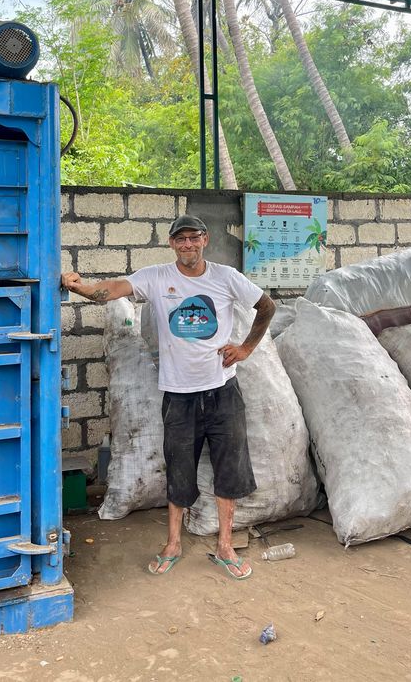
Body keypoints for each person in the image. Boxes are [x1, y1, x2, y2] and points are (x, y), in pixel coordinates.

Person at [61, 214, 275, 580]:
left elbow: (266, 306)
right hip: (178, 395)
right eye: (181, 240)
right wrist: (80, 287)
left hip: (223, 390)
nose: (187, 245)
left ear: (205, 239)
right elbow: (112, 290)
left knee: (229, 467)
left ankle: (225, 544)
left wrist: (246, 348)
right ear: (172, 243)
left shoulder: (225, 277)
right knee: (179, 469)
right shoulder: (157, 277)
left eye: (194, 238)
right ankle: (173, 543)